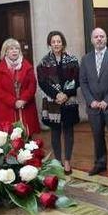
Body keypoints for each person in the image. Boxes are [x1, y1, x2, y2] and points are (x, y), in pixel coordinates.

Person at [80, 27, 108, 177]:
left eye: (102, 36)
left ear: (106, 39)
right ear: (92, 40)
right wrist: (91, 100)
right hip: (93, 107)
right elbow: (83, 82)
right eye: (96, 37)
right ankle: (100, 163)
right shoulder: (85, 59)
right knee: (97, 136)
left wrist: (107, 100)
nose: (99, 39)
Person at [37, 31, 80, 174]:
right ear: (49, 44)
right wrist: (56, 94)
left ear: (63, 43)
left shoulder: (72, 60)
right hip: (52, 102)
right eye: (53, 42)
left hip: (69, 101)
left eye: (59, 41)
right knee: (55, 132)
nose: (56, 44)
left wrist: (65, 95)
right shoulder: (44, 62)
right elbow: (42, 82)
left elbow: (76, 80)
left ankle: (67, 161)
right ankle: (57, 162)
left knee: (68, 131)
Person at [0, 38, 39, 135]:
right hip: (6, 109)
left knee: (27, 140)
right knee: (10, 140)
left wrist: (23, 99)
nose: (14, 51)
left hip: (25, 107)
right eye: (11, 49)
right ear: (5, 52)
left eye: (17, 48)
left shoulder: (27, 67)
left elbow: (32, 85)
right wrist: (14, 102)